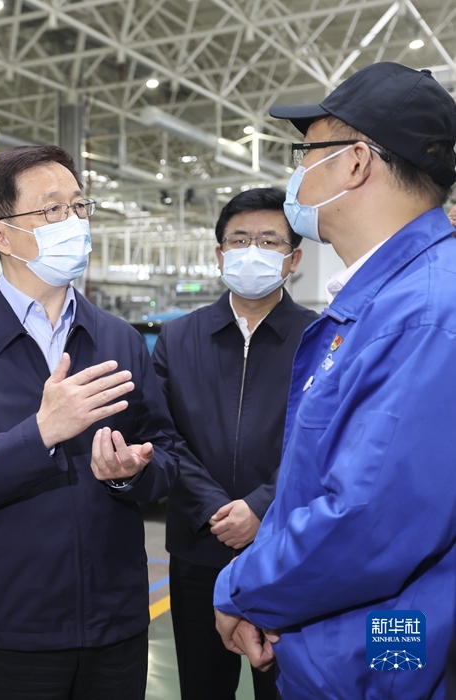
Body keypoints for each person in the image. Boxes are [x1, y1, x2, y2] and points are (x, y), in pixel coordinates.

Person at [212, 62, 456, 699]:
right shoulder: (386, 302)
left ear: (355, 162)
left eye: (308, 152)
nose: (298, 174)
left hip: (383, 658)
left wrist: (242, 588)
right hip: (344, 644)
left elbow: (370, 520)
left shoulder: (425, 314)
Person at [0, 145, 177, 700]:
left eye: (79, 206)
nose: (73, 221)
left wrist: (132, 472)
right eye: (52, 209)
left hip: (115, 620)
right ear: (1, 235)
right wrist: (41, 433)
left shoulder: (118, 338)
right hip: (8, 629)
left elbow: (166, 452)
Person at [153, 187, 317, 700]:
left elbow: (323, 440)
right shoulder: (179, 338)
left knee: (283, 685)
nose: (252, 251)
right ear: (220, 254)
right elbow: (162, 434)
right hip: (200, 548)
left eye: (269, 241)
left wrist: (261, 507)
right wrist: (217, 510)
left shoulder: (322, 338)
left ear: (293, 259)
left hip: (286, 550)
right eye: (239, 239)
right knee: (203, 685)